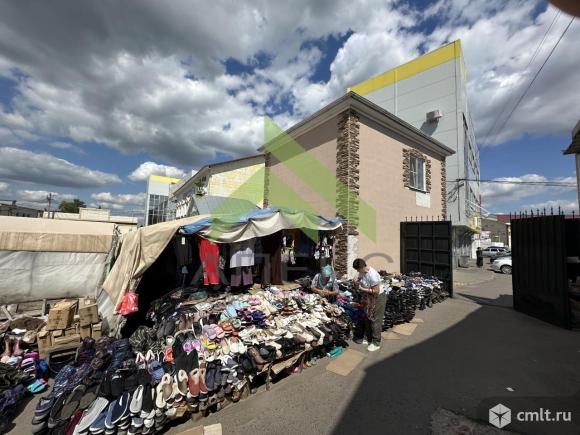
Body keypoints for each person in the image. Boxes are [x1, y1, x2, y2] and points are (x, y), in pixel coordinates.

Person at [352, 258, 387, 352]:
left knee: (375, 320)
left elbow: (376, 291)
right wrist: (356, 279)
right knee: (367, 318)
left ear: (362, 267)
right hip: (368, 297)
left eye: (358, 269)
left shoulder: (372, 275)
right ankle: (369, 338)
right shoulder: (362, 272)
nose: (357, 271)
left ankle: (376, 342)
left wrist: (362, 289)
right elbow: (358, 278)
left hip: (377, 297)